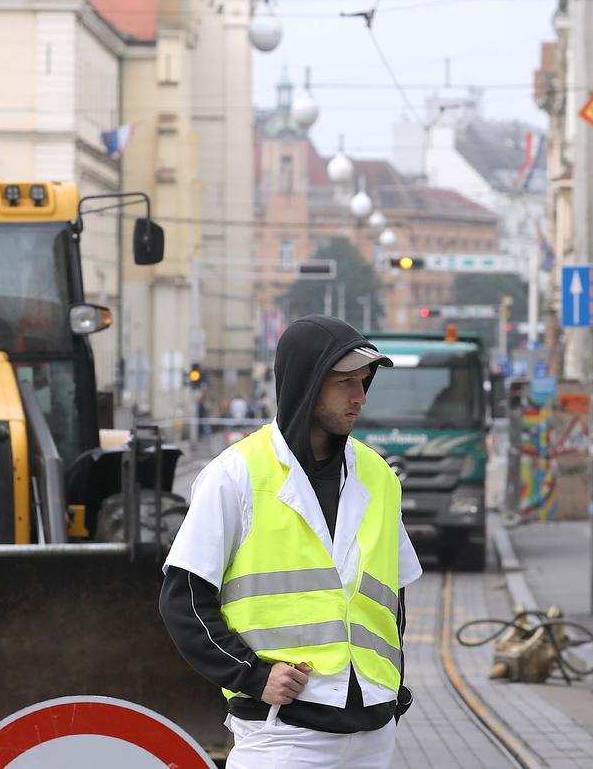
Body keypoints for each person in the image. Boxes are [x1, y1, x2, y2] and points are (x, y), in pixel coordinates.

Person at [160, 315, 422, 768]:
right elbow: (182, 600)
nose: (359, 396)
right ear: (307, 383)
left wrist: (391, 686)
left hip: (373, 733)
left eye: (364, 382)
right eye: (344, 383)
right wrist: (251, 674)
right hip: (283, 734)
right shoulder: (236, 474)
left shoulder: (379, 475)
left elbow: (392, 599)